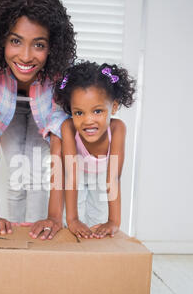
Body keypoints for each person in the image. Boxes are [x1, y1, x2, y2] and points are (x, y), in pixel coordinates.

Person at [0, 0, 76, 238]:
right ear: (1, 38)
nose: (26, 56)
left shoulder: (61, 68)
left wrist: (54, 217)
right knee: (18, 175)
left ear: (52, 46)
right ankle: (15, 242)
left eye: (38, 45)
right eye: (16, 41)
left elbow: (60, 135)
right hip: (6, 111)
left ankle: (38, 240)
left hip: (45, 111)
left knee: (37, 175)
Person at [53, 61, 136, 239]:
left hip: (102, 177)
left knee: (98, 223)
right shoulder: (68, 127)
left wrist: (114, 221)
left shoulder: (117, 128)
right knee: (75, 225)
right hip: (77, 176)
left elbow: (113, 177)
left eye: (97, 111)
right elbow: (71, 175)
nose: (88, 120)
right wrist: (73, 219)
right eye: (79, 113)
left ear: (113, 107)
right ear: (71, 111)